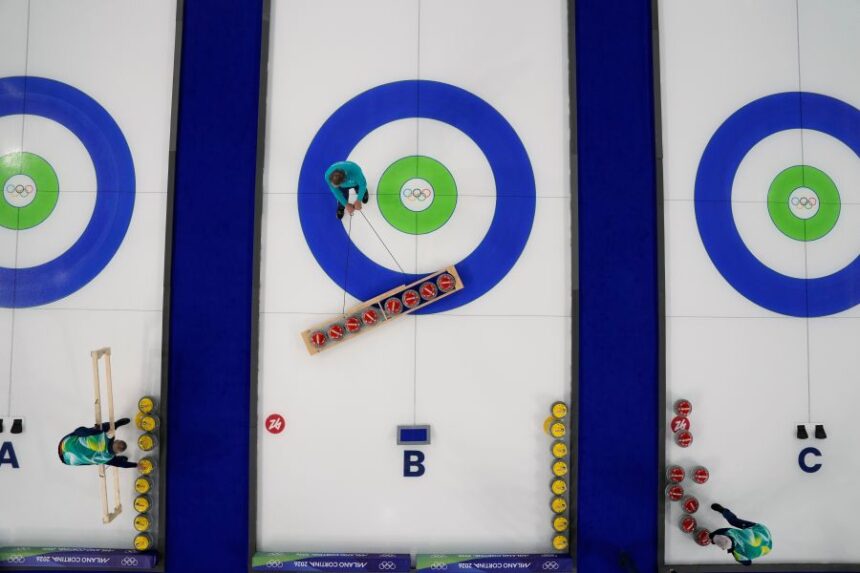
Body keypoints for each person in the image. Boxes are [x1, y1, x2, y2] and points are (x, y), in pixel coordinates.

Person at [58, 418, 140, 469]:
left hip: (65, 447)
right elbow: (120, 464)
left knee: (98, 430)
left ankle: (115, 425)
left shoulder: (105, 455)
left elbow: (78, 431)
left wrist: (136, 465)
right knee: (95, 459)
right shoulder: (106, 457)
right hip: (68, 455)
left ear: (116, 440)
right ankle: (115, 425)